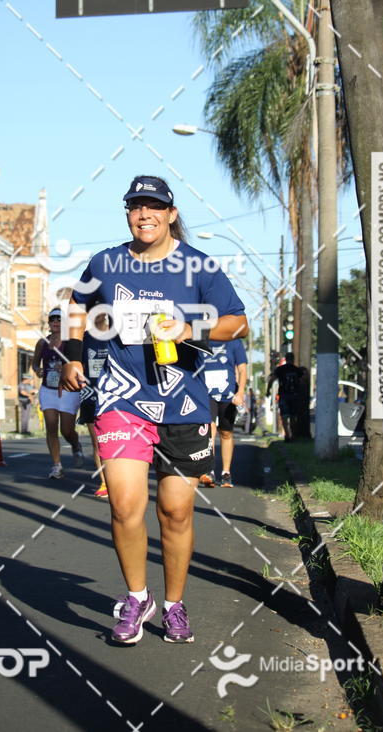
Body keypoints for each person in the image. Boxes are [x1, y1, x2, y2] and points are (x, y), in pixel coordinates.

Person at [61, 175, 247, 645]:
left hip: (183, 400)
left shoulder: (197, 265)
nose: (144, 215)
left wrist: (190, 327)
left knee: (175, 512)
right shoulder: (105, 263)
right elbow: (74, 311)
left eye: (154, 207)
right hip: (121, 397)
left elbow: (237, 321)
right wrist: (74, 357)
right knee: (125, 505)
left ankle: (175, 604)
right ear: (127, 214)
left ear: (171, 214)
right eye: (135, 207)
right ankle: (136, 596)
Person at [33, 307, 83, 479]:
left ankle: (76, 445)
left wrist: (66, 368)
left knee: (67, 430)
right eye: (52, 319)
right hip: (48, 390)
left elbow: (79, 364)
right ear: (49, 323)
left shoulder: (71, 343)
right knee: (51, 427)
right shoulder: (42, 343)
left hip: (68, 390)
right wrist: (37, 370)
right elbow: (34, 363)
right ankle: (57, 465)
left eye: (59, 319)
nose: (55, 322)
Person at [199, 339, 247, 488]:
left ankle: (226, 473)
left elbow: (242, 369)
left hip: (228, 394)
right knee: (209, 430)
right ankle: (209, 471)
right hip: (206, 394)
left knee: (226, 433)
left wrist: (240, 393)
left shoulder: (234, 342)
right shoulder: (201, 340)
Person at [79, 313, 109, 498]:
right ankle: (104, 481)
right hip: (91, 394)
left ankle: (120, 477)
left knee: (115, 438)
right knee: (97, 440)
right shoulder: (85, 338)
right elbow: (80, 365)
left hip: (114, 393)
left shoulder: (117, 335)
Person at [266, 352, 303, 441]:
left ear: (285, 359)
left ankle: (287, 434)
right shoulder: (297, 370)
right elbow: (302, 381)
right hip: (294, 395)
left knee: (284, 416)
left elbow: (272, 379)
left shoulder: (280, 369)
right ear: (293, 359)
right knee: (293, 416)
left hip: (283, 395)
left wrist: (268, 390)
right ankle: (293, 435)